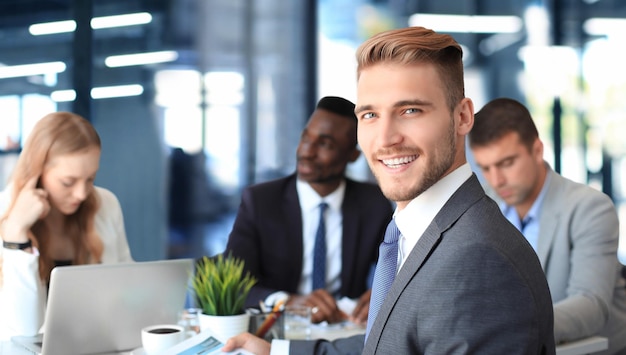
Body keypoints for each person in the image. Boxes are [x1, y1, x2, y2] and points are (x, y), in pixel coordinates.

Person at [223, 26, 555, 354]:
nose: (385, 139)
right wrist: (276, 353)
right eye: (369, 114)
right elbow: (386, 343)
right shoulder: (417, 230)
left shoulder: (478, 259)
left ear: (463, 117)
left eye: (410, 110)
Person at [468, 97, 626, 354]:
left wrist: (510, 329)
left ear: (538, 150)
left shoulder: (590, 208)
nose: (497, 180)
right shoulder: (481, 207)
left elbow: (591, 304)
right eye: (486, 168)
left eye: (507, 163)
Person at [224, 96, 393, 325]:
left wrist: (383, 292)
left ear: (352, 155)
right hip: (281, 325)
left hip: (343, 328)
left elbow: (396, 265)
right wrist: (288, 302)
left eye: (324, 144)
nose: (307, 152)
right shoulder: (260, 201)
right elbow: (233, 283)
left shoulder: (373, 202)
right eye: (306, 138)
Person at [0, 112, 133, 340]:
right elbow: (25, 329)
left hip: (96, 344)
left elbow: (127, 283)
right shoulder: (5, 210)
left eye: (90, 179)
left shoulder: (106, 204)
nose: (81, 194)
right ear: (37, 173)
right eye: (67, 182)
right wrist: (16, 234)